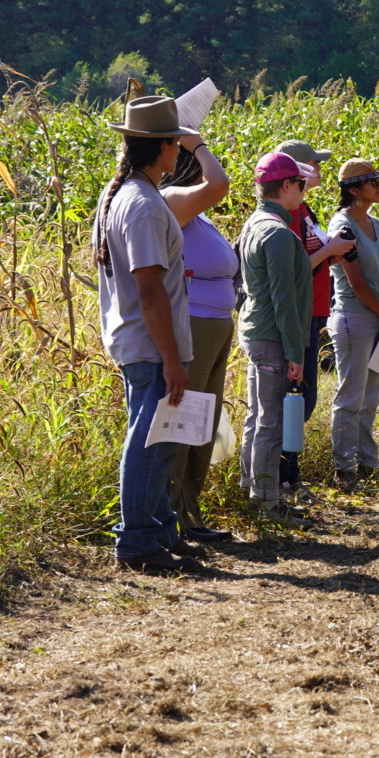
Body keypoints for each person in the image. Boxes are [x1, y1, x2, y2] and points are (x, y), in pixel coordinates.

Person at [93, 95, 205, 573]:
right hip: (149, 342)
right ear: (161, 148)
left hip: (141, 339)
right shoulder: (140, 204)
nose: (180, 152)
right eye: (176, 144)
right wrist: (173, 358)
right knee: (148, 442)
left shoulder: (127, 194)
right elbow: (150, 289)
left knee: (160, 439)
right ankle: (137, 539)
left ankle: (159, 530)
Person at [237, 151, 315, 526]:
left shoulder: (255, 222)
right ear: (285, 186)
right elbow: (284, 298)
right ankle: (267, 502)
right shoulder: (279, 233)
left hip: (256, 330)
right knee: (270, 420)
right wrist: (295, 349)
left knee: (257, 416)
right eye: (300, 185)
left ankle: (250, 489)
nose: (303, 191)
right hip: (272, 336)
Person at [274, 140, 355, 503]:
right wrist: (331, 250)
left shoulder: (304, 209)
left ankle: (290, 475)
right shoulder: (287, 214)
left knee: (302, 401)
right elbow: (294, 268)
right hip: (299, 315)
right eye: (313, 163)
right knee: (293, 402)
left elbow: (313, 259)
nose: (320, 169)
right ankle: (281, 479)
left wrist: (333, 254)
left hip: (315, 310)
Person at [164, 135, 234, 544]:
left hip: (215, 323)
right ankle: (174, 513)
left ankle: (191, 511)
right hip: (195, 323)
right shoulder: (173, 198)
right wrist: (199, 143)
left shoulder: (200, 216)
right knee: (187, 418)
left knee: (203, 422)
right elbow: (219, 184)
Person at [328, 158, 379, 487]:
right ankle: (344, 469)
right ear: (354, 190)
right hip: (355, 319)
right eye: (374, 182)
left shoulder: (377, 224)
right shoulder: (342, 227)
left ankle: (368, 464)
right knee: (351, 397)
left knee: (371, 397)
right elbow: (356, 283)